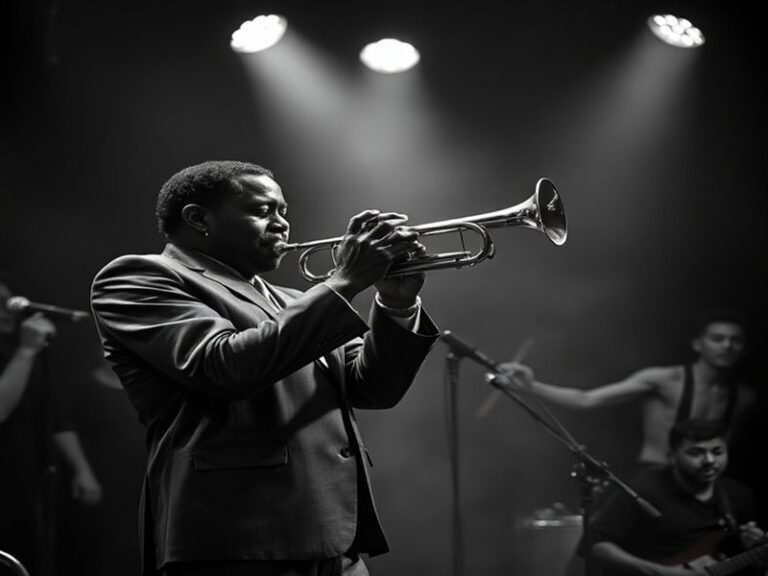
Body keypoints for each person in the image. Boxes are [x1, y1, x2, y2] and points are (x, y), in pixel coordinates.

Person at [90, 160, 439, 576]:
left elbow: (373, 390)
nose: (281, 225)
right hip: (238, 539)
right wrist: (344, 281)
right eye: (263, 211)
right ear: (198, 218)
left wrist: (395, 303)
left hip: (337, 542)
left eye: (284, 212)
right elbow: (225, 366)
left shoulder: (296, 300)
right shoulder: (139, 277)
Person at [488, 311, 755, 466]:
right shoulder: (664, 379)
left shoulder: (744, 397)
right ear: (698, 343)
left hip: (703, 485)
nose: (727, 346)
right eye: (718, 339)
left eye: (735, 341)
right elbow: (587, 399)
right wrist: (530, 387)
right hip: (656, 479)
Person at [0, 280, 103, 573]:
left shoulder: (17, 350)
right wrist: (26, 352)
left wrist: (83, 469)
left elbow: (56, 416)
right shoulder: (23, 352)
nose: (8, 309)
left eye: (9, 301)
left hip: (31, 480)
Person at [589, 418, 766, 576]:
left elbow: (744, 562)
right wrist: (664, 573)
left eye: (718, 451)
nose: (709, 460)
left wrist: (754, 546)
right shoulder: (645, 490)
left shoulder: (739, 495)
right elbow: (596, 545)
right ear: (672, 456)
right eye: (696, 453)